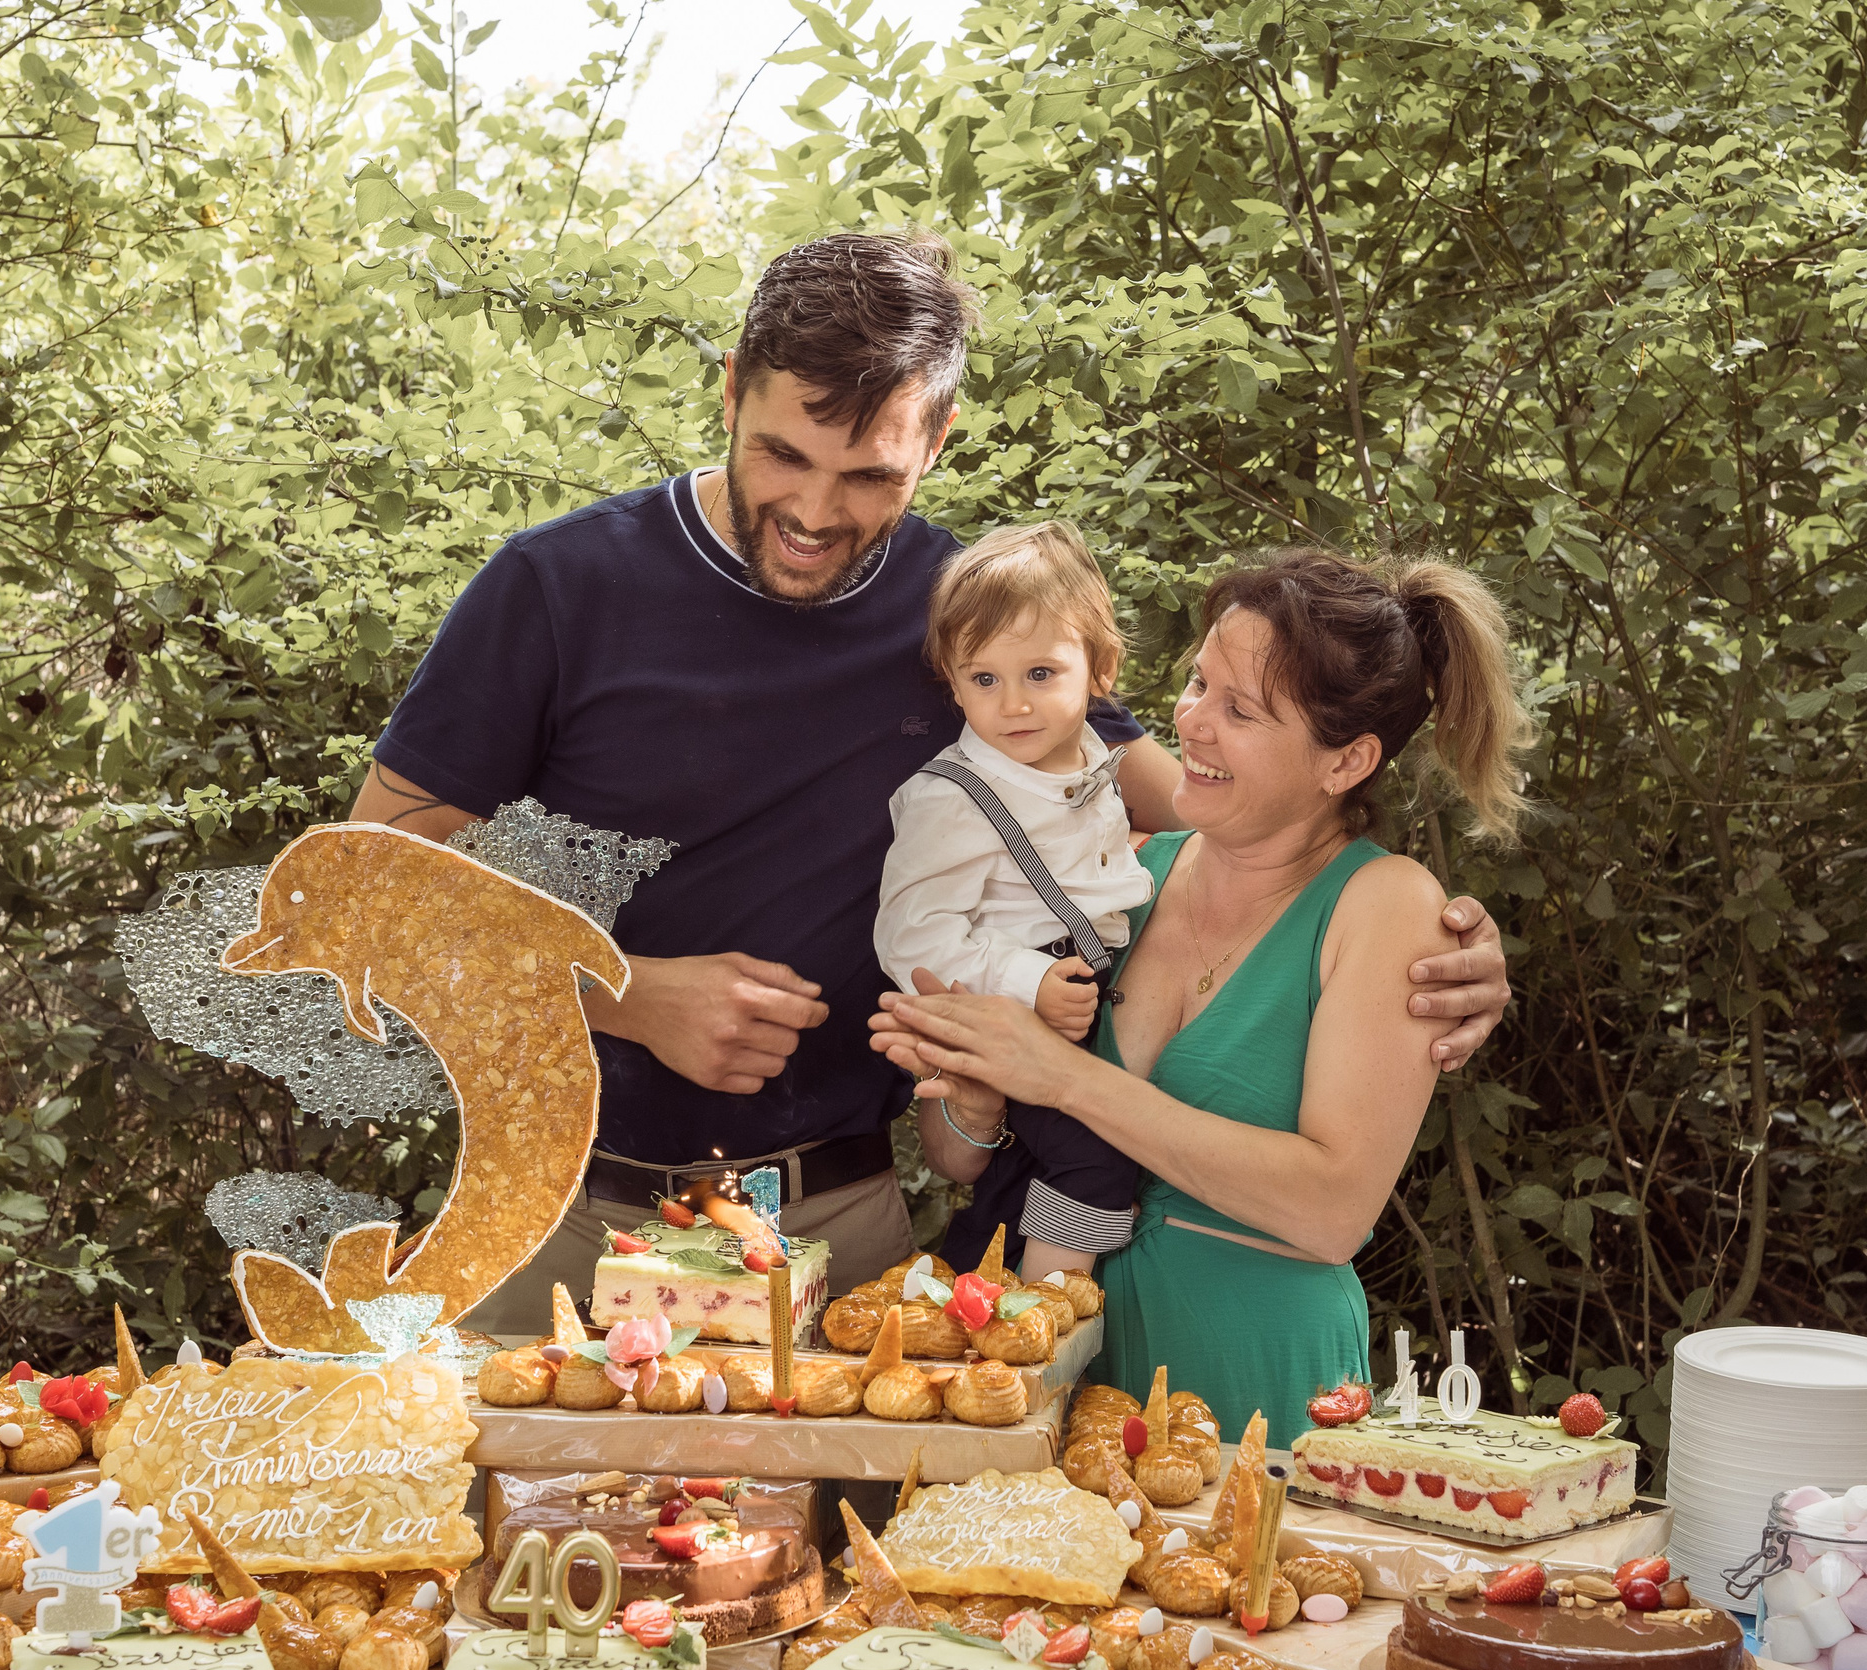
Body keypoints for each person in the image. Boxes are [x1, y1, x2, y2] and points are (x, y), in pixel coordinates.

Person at [348, 231, 1515, 1334]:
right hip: (555, 1211)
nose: (813, 514)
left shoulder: (971, 613)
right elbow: (371, 894)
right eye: (782, 455)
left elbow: (1225, 803)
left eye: (867, 475)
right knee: (533, 1551)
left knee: (841, 1555)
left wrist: (1423, 951)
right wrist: (627, 993)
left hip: (840, 1226)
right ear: (729, 389)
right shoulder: (557, 587)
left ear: (940, 437)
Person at [870, 547, 1532, 1438]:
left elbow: (1333, 1208)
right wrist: (982, 1097)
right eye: (1196, 683)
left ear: (1347, 761)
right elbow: (956, 1161)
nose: (1192, 722)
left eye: (1240, 709)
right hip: (1059, 1377)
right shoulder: (1128, 877)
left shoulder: (1386, 905)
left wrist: (1063, 1078)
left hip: (1248, 1375)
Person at [873, 521, 1151, 1280]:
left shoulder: (1094, 756)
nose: (1013, 705)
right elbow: (911, 935)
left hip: (1095, 990)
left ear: (1099, 667)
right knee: (1096, 1160)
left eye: (1040, 673)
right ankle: (1046, 1317)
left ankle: (974, 1281)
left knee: (1025, 1175)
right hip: (1017, 1010)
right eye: (983, 679)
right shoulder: (955, 795)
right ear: (952, 679)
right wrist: (1028, 981)